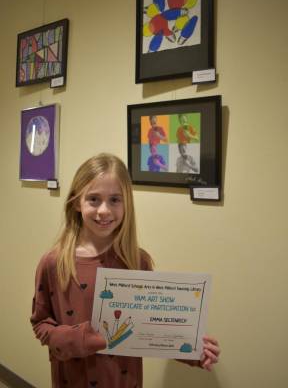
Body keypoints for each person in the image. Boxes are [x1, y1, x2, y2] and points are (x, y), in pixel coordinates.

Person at [31, 153, 220, 388]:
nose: (104, 211)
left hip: (124, 380)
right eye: (93, 199)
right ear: (76, 203)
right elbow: (41, 323)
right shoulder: (53, 263)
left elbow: (149, 326)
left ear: (126, 204)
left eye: (114, 200)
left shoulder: (136, 261)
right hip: (73, 379)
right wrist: (76, 339)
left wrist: (193, 350)